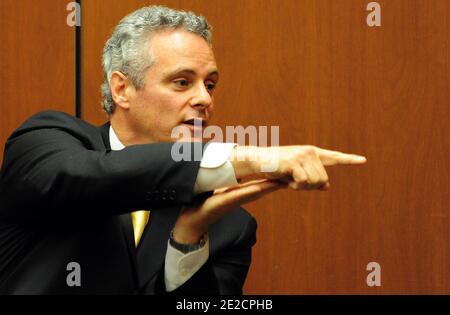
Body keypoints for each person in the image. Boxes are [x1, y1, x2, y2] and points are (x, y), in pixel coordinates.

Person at [0, 6, 366, 294]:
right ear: (122, 89)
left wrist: (188, 242)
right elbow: (91, 177)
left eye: (210, 84)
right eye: (182, 82)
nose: (205, 99)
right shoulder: (47, 140)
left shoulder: (229, 224)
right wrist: (251, 157)